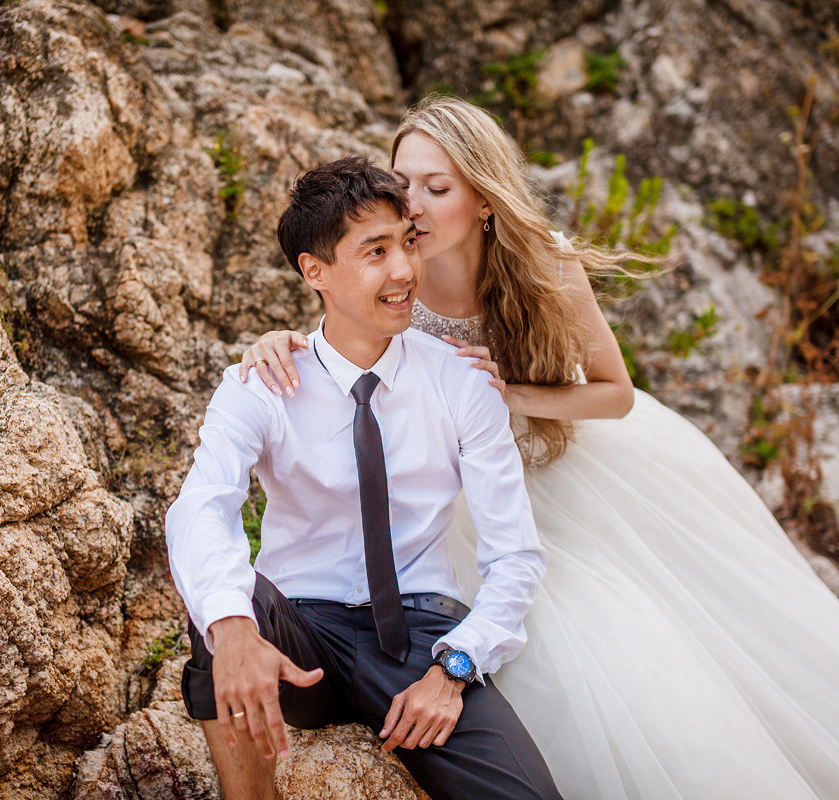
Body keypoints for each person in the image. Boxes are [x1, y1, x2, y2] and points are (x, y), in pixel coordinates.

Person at [239, 96, 839, 799]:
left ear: (486, 198)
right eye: (403, 184)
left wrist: (513, 397)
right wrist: (278, 341)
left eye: (438, 187)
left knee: (623, 642)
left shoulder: (544, 266)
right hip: (447, 492)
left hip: (553, 465)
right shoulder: (392, 270)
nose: (414, 205)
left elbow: (614, 393)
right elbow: (337, 326)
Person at [165, 155, 563, 800]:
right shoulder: (261, 385)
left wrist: (455, 670)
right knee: (224, 605)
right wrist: (232, 629)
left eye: (407, 243)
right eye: (375, 251)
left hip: (421, 638)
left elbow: (515, 555)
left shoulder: (463, 382)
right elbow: (200, 509)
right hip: (301, 629)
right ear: (314, 271)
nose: (405, 270)